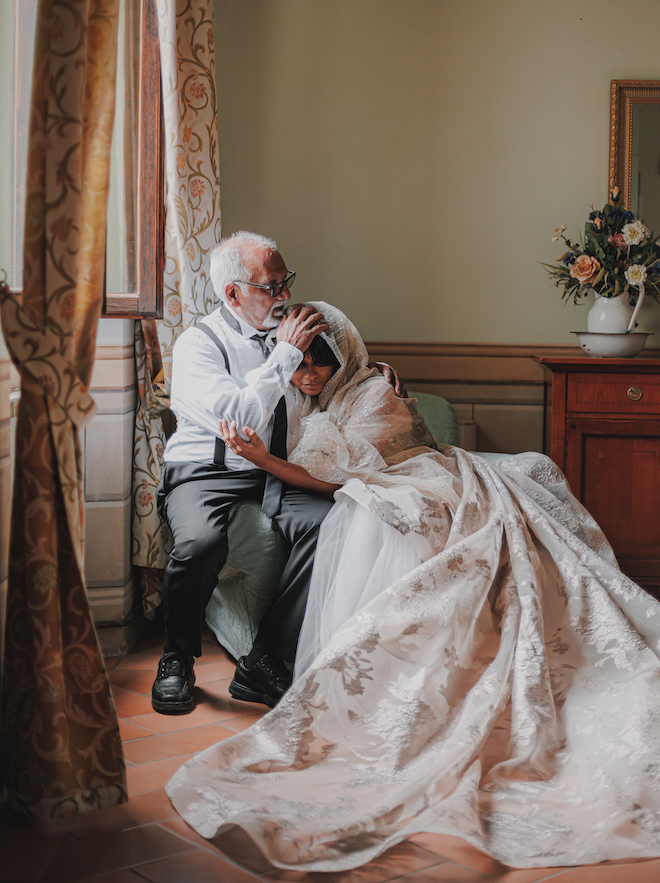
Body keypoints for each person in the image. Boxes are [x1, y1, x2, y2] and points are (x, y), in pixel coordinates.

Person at [166, 302, 660, 872]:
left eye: (313, 366)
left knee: (417, 532)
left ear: (340, 359)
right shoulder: (299, 388)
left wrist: (264, 458)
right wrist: (267, 440)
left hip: (416, 479)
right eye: (296, 364)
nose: (302, 376)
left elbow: (336, 477)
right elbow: (286, 419)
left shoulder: (373, 391)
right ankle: (272, 661)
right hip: (274, 475)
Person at [152, 232, 333, 714]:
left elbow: (333, 376)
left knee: (331, 523)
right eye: (271, 287)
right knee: (201, 544)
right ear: (233, 294)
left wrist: (375, 370)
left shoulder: (290, 332)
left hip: (277, 469)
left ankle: (265, 659)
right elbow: (240, 420)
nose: (284, 297)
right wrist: (285, 356)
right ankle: (176, 658)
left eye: (284, 282)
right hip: (206, 470)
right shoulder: (198, 346)